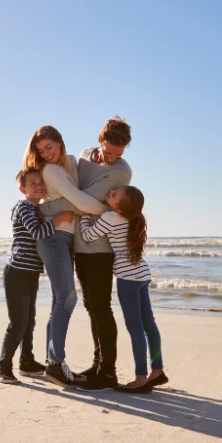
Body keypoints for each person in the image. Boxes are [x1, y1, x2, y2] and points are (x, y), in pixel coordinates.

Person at [43, 116, 133, 391]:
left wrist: (45, 209)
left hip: (100, 247)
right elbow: (75, 194)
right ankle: (97, 365)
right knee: (92, 307)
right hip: (79, 243)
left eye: (118, 153)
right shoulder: (83, 155)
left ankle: (108, 372)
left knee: (101, 307)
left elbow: (83, 202)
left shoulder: (121, 172)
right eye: (108, 150)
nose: (112, 157)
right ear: (99, 140)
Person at [23, 126, 107, 387]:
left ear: (60, 143)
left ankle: (53, 363)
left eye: (50, 147)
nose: (46, 153)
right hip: (53, 237)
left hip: (65, 238)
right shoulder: (51, 171)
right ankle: (56, 364)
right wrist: (109, 211)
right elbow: (79, 202)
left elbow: (79, 194)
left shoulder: (68, 164)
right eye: (41, 150)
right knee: (67, 298)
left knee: (60, 299)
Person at [79, 185, 168, 394]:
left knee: (135, 329)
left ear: (120, 208)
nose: (110, 192)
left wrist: (83, 215)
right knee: (149, 325)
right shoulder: (133, 219)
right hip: (143, 274)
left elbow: (87, 236)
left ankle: (140, 378)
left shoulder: (110, 217)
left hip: (128, 279)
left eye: (115, 194)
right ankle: (157, 371)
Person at [0, 168, 76, 384]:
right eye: (33, 183)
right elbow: (38, 233)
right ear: (23, 189)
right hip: (18, 272)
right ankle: (2, 366)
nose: (39, 185)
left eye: (41, 181)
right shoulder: (24, 207)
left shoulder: (36, 209)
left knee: (29, 321)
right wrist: (58, 220)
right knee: (18, 323)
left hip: (30, 273)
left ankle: (27, 362)